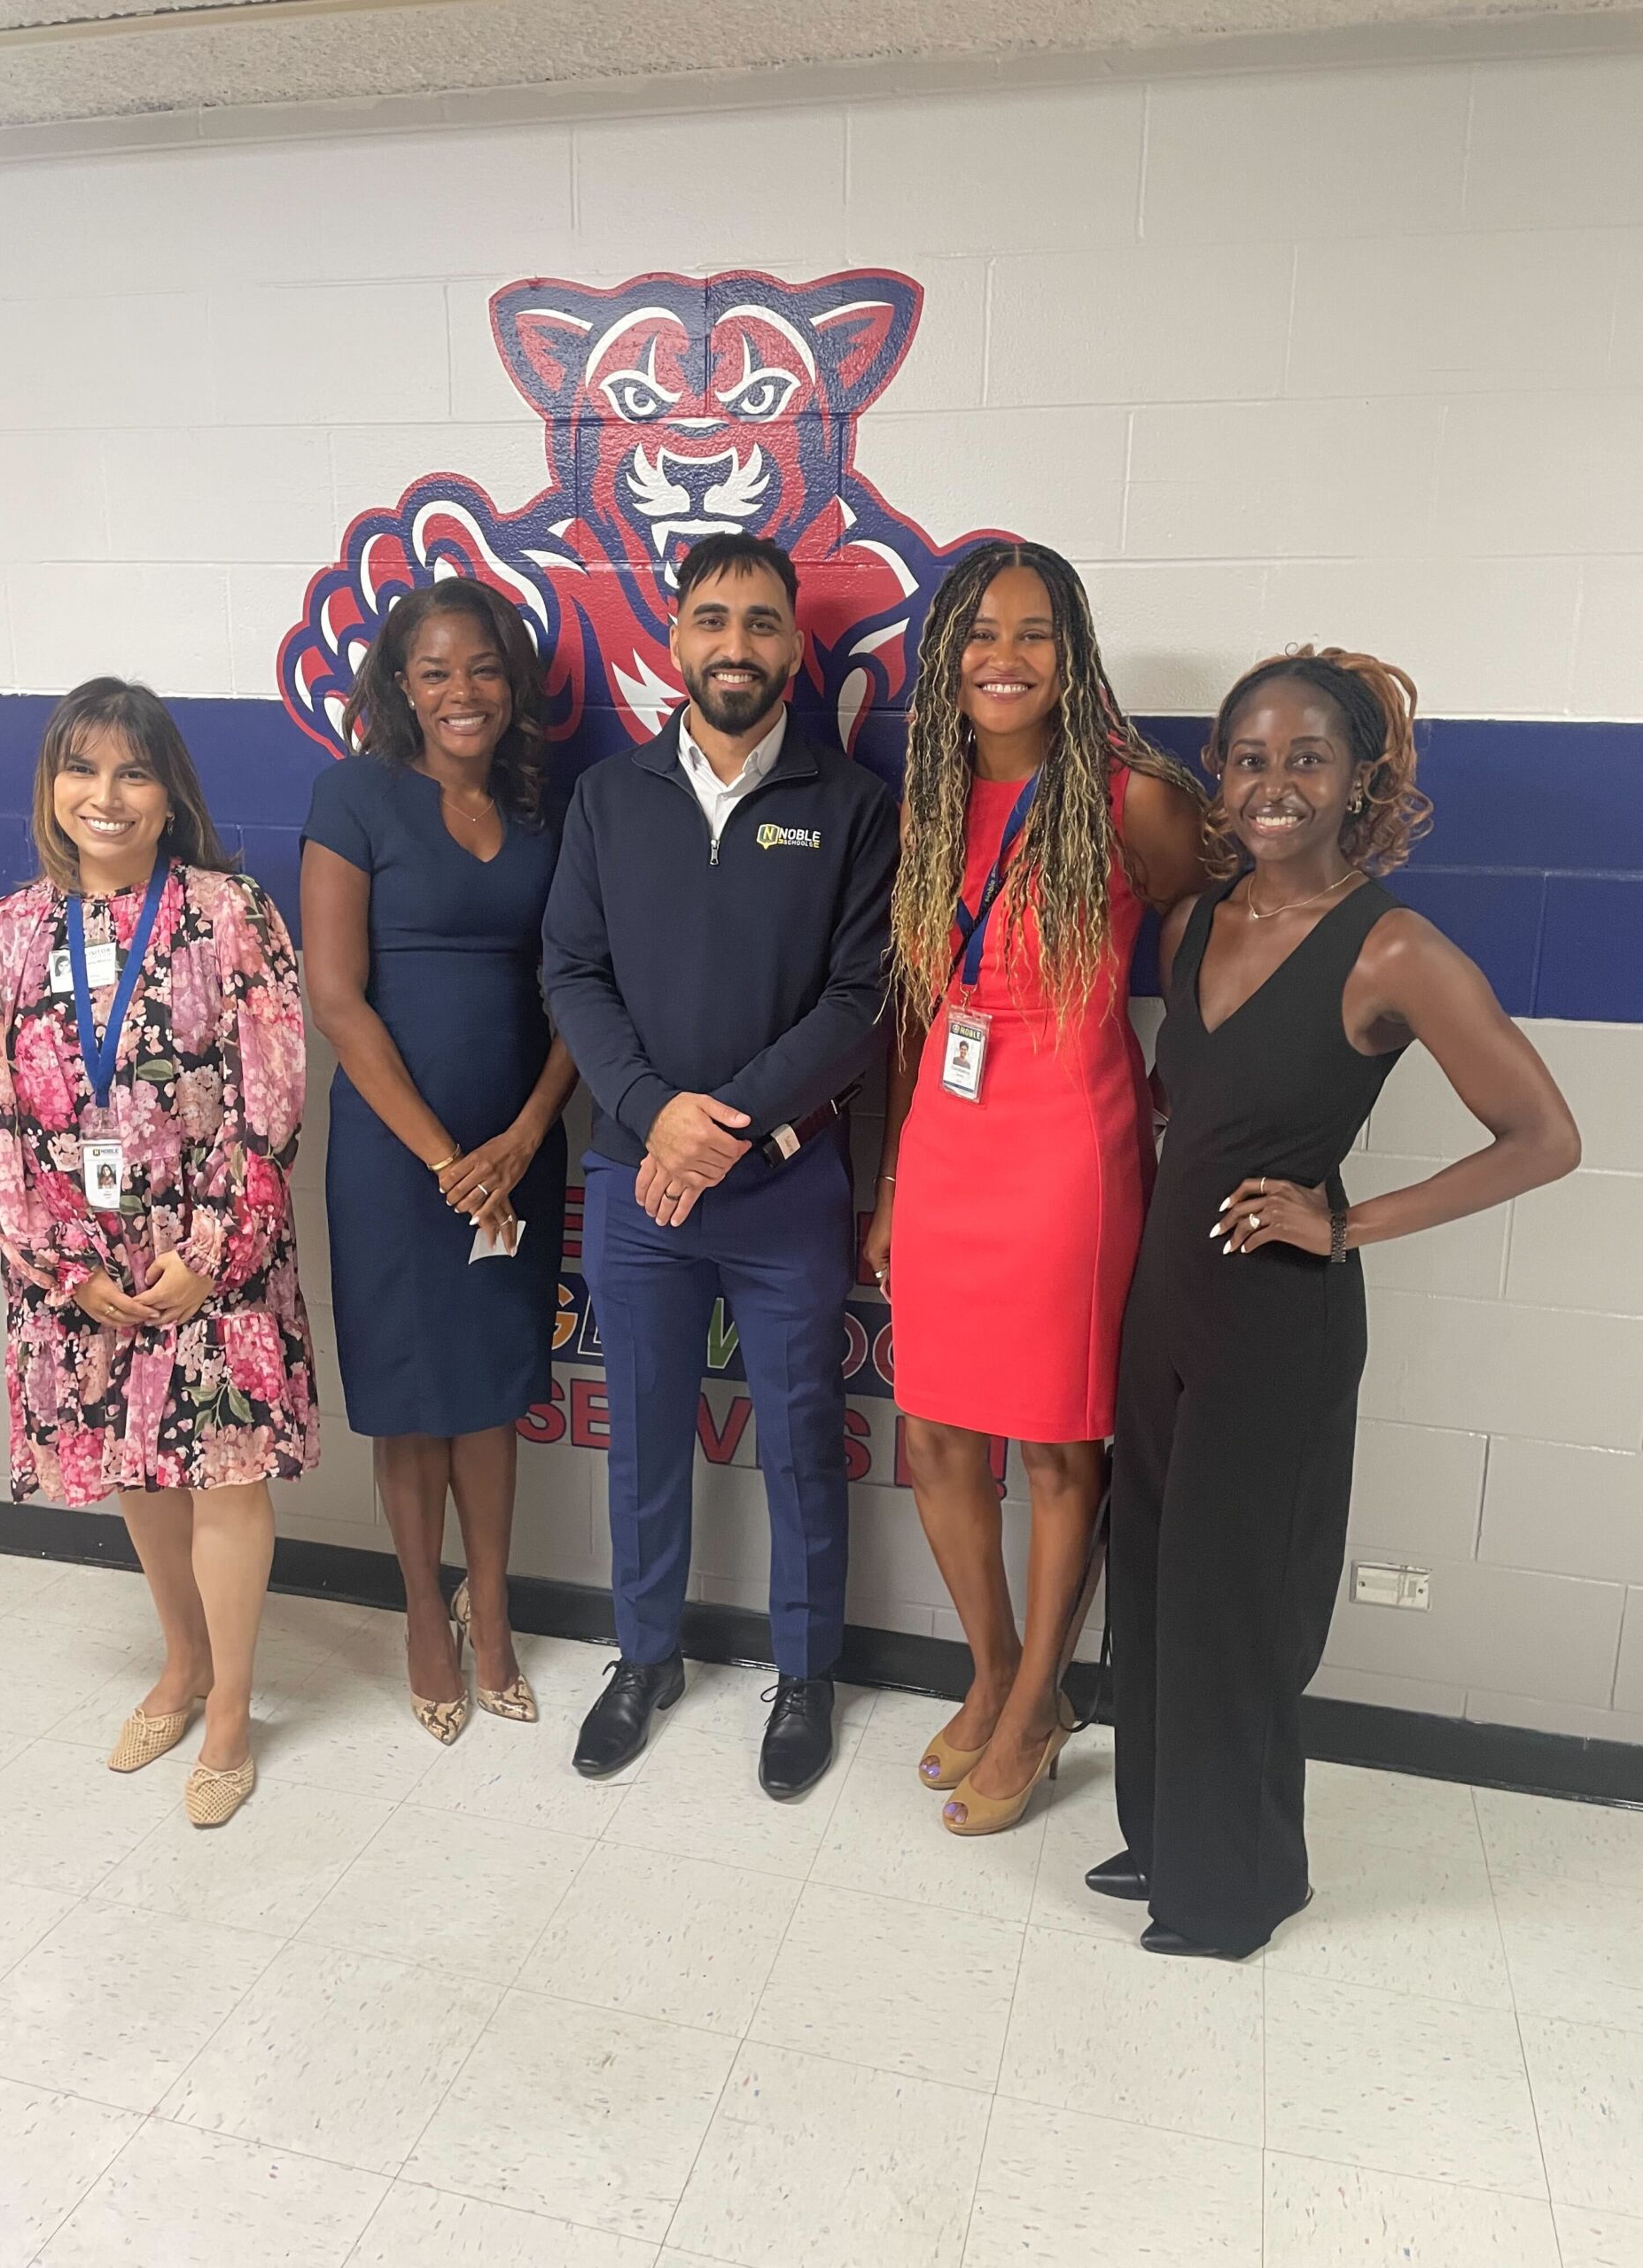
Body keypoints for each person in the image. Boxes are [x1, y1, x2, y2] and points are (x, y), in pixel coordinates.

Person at [1088, 646, 1581, 1956]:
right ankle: (1164, 1839)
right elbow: (1188, 1098)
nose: (1274, 784)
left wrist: (1345, 1220)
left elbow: (1544, 1136)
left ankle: (1235, 1889)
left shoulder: (1394, 948)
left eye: (1308, 758)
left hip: (1276, 1326)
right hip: (1164, 1302)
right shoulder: (1196, 919)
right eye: (1251, 757)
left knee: (1231, 1602)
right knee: (1144, 1578)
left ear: (1361, 779)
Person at [542, 532, 898, 1798]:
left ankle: (807, 1675)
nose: (734, 645)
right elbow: (571, 973)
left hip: (784, 1186)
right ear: (677, 637)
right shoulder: (609, 796)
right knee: (643, 1435)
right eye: (711, 620)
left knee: (803, 1437)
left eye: (759, 623)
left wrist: (727, 1126)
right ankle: (645, 1657)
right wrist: (652, 1112)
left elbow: (862, 1000)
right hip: (635, 1185)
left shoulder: (852, 806)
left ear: (793, 646)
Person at [864, 542, 1206, 1837]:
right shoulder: (928, 808)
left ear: (1074, 657)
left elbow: (1224, 935)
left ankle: (1041, 1701)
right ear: (943, 658)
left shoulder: (1131, 799)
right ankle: (998, 1671)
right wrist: (894, 1181)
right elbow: (915, 1015)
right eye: (980, 633)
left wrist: (1196, 1089)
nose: (1005, 658)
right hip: (949, 1150)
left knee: (1063, 1444)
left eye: (1035, 633)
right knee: (935, 1431)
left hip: (1073, 1146)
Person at [0, 679, 317, 1828]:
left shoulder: (229, 913)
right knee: (136, 1472)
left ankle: (231, 1708)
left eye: (133, 773)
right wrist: (63, 1269)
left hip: (218, 1266)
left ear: (169, 797)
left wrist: (212, 1251)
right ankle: (182, 1660)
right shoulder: (4, 936)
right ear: (53, 788)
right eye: (81, 770)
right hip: (84, 1284)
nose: (104, 797)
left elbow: (275, 1093)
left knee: (222, 1474)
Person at [301, 581, 574, 1744]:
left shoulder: (545, 827)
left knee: (492, 1396)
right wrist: (445, 1155)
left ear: (512, 689)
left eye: (483, 670)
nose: (461, 692)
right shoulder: (355, 797)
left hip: (517, 1159)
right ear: (399, 688)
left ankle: (494, 1605)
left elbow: (577, 999)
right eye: (434, 671)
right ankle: (424, 1609)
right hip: (398, 1161)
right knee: (413, 1403)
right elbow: (336, 997)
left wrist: (518, 1140)